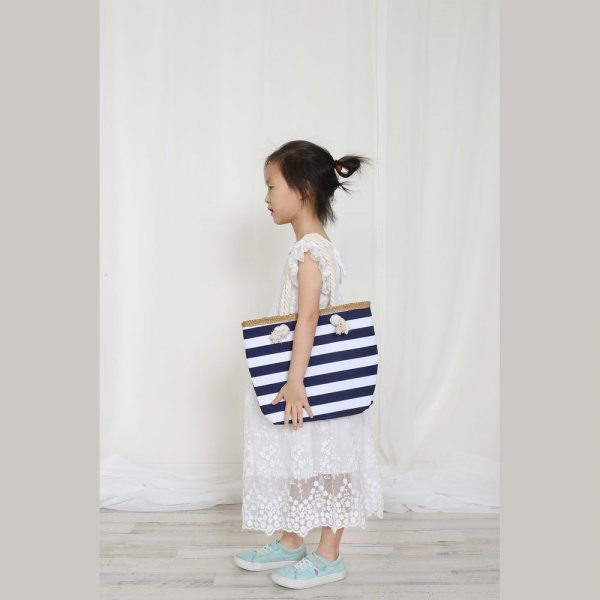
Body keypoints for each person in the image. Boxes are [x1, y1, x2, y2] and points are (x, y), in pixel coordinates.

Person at [234, 140, 384, 589]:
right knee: (306, 459)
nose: (266, 197)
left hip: (313, 380)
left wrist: (295, 379)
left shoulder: (309, 252)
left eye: (271, 186)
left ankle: (329, 554)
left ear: (301, 189)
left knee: (330, 465)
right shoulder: (316, 247)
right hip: (318, 379)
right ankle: (293, 538)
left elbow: (309, 319)